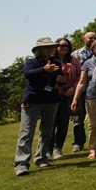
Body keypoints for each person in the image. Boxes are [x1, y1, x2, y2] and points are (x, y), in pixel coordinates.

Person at [14, 37, 62, 176]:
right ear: (39, 50)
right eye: (47, 47)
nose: (50, 49)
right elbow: (28, 74)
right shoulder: (31, 62)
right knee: (26, 133)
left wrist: (61, 79)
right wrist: (44, 69)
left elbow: (56, 79)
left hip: (51, 100)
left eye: (52, 47)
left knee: (47, 132)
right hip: (33, 100)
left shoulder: (56, 62)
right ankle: (21, 165)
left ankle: (41, 158)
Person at [49, 38, 81, 159]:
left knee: (63, 123)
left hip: (66, 95)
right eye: (62, 46)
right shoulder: (50, 60)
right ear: (56, 46)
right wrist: (54, 79)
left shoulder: (73, 60)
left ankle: (58, 148)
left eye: (67, 46)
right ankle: (47, 149)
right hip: (52, 95)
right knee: (50, 124)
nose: (65, 48)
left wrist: (73, 88)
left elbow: (80, 76)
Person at [70, 31, 96, 152]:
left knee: (95, 118)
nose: (93, 39)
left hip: (95, 89)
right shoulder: (75, 54)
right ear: (84, 39)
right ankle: (78, 143)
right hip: (79, 89)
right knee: (78, 118)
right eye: (90, 38)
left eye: (95, 38)